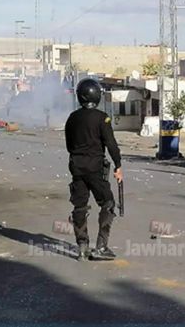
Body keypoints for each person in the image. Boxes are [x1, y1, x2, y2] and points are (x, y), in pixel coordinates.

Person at [64, 78, 123, 261]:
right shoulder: (101, 118)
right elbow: (111, 144)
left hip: (76, 167)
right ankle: (101, 247)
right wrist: (118, 165)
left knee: (79, 206)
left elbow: (69, 145)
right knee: (108, 203)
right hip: (95, 168)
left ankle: (82, 246)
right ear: (97, 95)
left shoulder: (72, 118)